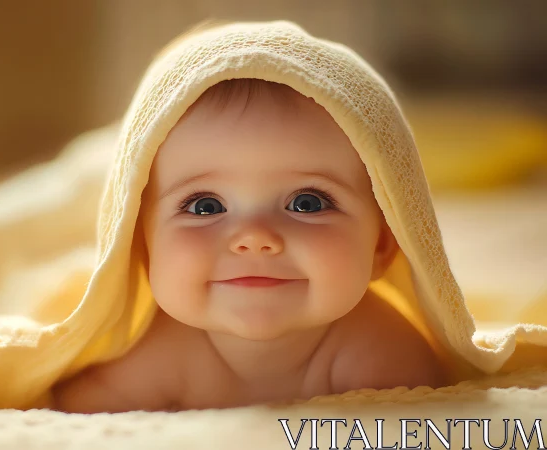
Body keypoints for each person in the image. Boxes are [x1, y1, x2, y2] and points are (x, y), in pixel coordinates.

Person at [51, 77, 446, 413]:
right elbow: (77, 414)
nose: (255, 238)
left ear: (381, 244)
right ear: (141, 246)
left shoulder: (384, 357)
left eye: (307, 203)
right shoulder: (156, 350)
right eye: (205, 206)